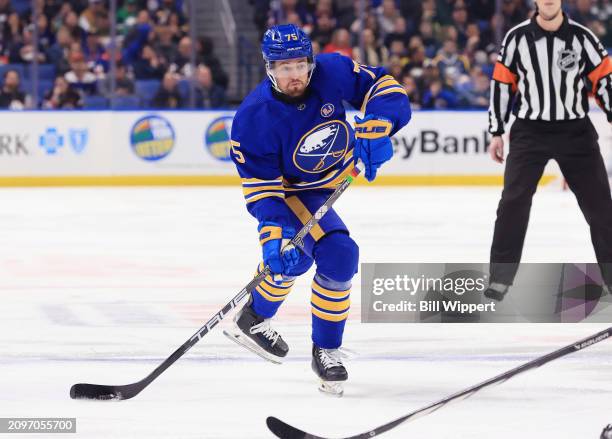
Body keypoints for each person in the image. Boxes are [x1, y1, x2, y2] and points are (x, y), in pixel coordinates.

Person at [225, 24, 411, 396]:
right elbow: (264, 193)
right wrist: (271, 238)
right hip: (293, 193)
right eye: (282, 67)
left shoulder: (333, 71)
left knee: (305, 259)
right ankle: (325, 349)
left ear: (310, 62)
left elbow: (386, 88)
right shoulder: (252, 120)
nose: (293, 75)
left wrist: (381, 124)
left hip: (331, 178)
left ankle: (254, 315)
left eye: (299, 65)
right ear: (268, 68)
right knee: (336, 255)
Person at [485, 0, 612, 300]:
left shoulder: (583, 37)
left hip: (575, 131)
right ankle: (500, 278)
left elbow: (605, 80)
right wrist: (497, 131)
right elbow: (502, 85)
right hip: (530, 131)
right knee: (512, 202)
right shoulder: (517, 38)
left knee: (602, 209)